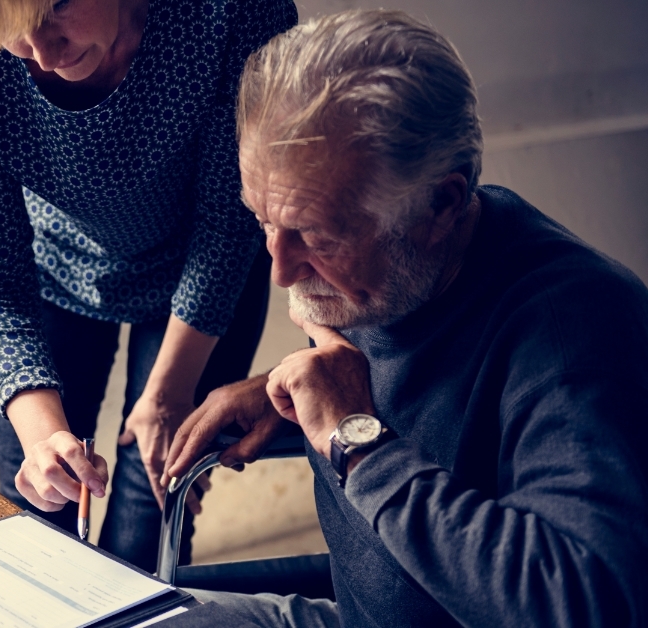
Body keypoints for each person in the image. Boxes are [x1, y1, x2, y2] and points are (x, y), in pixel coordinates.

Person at [162, 9, 648, 626]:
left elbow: (585, 603)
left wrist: (353, 437)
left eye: (316, 235)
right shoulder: (382, 276)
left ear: (442, 203)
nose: (280, 271)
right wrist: (280, 394)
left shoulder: (575, 334)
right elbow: (422, 391)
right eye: (263, 221)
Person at [0, 0, 297, 570]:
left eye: (56, 7)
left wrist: (168, 394)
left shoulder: (232, 10)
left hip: (206, 277)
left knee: (145, 536)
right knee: (39, 523)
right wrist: (43, 437)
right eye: (13, 32)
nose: (42, 54)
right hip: (56, 272)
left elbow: (227, 220)